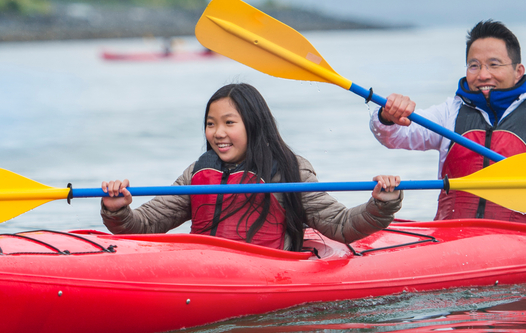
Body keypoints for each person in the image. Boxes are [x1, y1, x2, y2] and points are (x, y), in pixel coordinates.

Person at [101, 83, 403, 251]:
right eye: (210, 124)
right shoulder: (198, 173)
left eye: (229, 123)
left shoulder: (289, 170)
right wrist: (118, 210)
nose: (217, 133)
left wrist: (381, 204)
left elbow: (340, 225)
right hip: (199, 269)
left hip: (269, 273)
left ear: (253, 125)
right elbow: (145, 224)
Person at [370, 19, 526, 222]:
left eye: (494, 64)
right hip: (453, 239)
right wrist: (388, 116)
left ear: (518, 71)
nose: (483, 75)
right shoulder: (449, 113)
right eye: (474, 66)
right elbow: (396, 137)